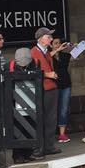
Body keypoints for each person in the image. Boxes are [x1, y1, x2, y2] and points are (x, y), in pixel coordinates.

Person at [30, 28, 61, 156]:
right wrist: (48, 74)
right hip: (42, 89)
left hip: (51, 88)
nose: (51, 39)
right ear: (41, 39)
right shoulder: (33, 52)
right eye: (48, 37)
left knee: (51, 119)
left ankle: (48, 146)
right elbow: (32, 71)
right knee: (41, 119)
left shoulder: (46, 52)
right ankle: (39, 148)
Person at [51, 36, 73, 144]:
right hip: (54, 85)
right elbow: (44, 59)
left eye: (59, 43)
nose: (57, 45)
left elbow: (77, 56)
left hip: (65, 84)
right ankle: (50, 134)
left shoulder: (65, 55)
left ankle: (62, 134)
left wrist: (75, 47)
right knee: (53, 109)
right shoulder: (48, 56)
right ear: (51, 45)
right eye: (55, 43)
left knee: (63, 110)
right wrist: (56, 51)